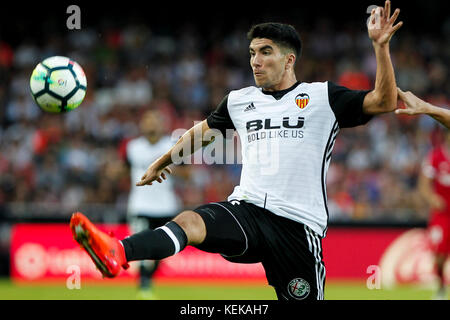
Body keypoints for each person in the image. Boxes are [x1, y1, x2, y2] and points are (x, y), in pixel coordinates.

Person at [70, 1, 402, 300]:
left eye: (265, 52)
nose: (255, 61)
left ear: (289, 59)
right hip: (248, 209)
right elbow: (200, 134)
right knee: (190, 221)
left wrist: (380, 47)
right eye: (252, 53)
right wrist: (162, 161)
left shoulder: (323, 97)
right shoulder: (240, 100)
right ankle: (118, 252)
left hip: (298, 227)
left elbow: (384, 102)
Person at [124, 110, 180, 299]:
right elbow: (124, 170)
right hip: (140, 205)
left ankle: (147, 279)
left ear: (162, 125)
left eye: (154, 121)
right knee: (141, 244)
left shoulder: (171, 146)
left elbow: (185, 172)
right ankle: (144, 283)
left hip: (165, 206)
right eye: (147, 121)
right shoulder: (133, 147)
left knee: (161, 250)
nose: (151, 125)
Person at [419, 130, 450, 300]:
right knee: (439, 256)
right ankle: (440, 287)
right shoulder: (435, 157)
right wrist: (433, 198)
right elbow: (424, 185)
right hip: (442, 214)